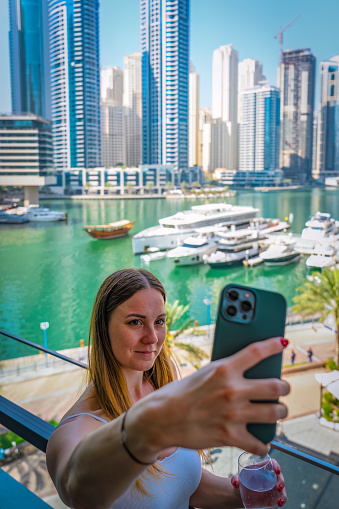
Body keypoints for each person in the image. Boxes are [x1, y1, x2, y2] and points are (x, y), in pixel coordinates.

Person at [46, 268, 290, 509]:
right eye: (135, 322)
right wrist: (149, 429)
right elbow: (78, 491)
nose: (152, 337)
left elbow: (182, 485)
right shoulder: (75, 429)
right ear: (104, 327)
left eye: (159, 321)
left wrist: (238, 494)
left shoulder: (164, 378)